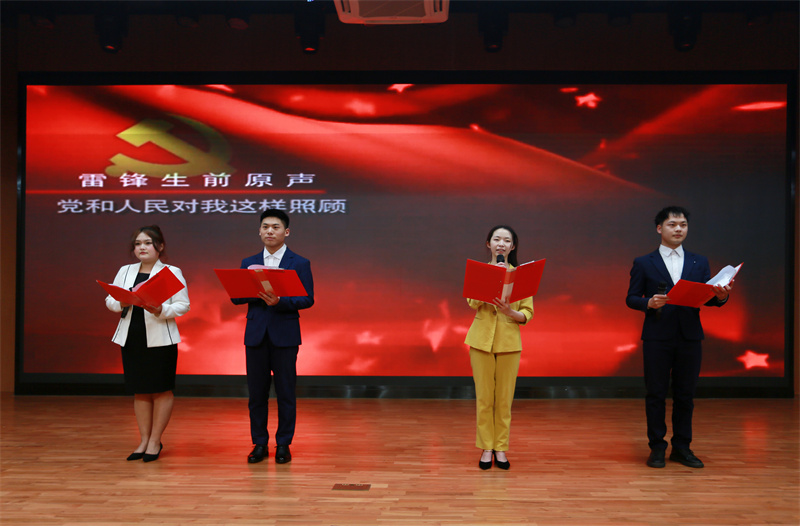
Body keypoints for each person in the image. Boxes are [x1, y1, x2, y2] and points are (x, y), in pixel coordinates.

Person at [626, 206, 732, 469]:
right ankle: (657, 447)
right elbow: (631, 298)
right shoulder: (644, 262)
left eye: (683, 225)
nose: (678, 229)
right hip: (657, 336)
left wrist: (721, 297)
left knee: (686, 395)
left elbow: (707, 296)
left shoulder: (699, 261)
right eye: (672, 224)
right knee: (656, 393)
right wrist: (648, 303)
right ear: (659, 228)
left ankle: (682, 448)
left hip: (689, 336)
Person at [232, 209, 314, 464]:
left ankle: (283, 444)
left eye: (275, 227)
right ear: (259, 231)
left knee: (286, 393)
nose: (270, 231)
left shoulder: (299, 262)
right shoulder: (249, 261)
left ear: (286, 232)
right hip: (256, 334)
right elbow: (237, 297)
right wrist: (255, 291)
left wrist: (279, 301)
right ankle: (259, 443)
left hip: (285, 335)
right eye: (265, 226)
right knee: (257, 394)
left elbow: (307, 299)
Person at [105, 225, 190, 462]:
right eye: (137, 244)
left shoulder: (171, 271)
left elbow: (183, 305)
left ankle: (155, 441)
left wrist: (161, 309)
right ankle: (143, 440)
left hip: (161, 338)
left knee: (161, 389)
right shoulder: (125, 271)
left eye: (147, 243)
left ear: (160, 247)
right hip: (131, 336)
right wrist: (122, 302)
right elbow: (110, 300)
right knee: (140, 390)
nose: (142, 248)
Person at [464, 225, 534, 470]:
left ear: (512, 246)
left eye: (506, 240)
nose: (501, 244)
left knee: (504, 400)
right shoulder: (479, 271)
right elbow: (472, 302)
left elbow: (527, 313)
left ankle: (501, 447)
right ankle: (486, 447)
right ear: (489, 244)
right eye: (497, 239)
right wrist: (492, 277)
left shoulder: (522, 275)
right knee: (485, 398)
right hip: (480, 341)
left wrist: (510, 311)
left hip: (509, 343)